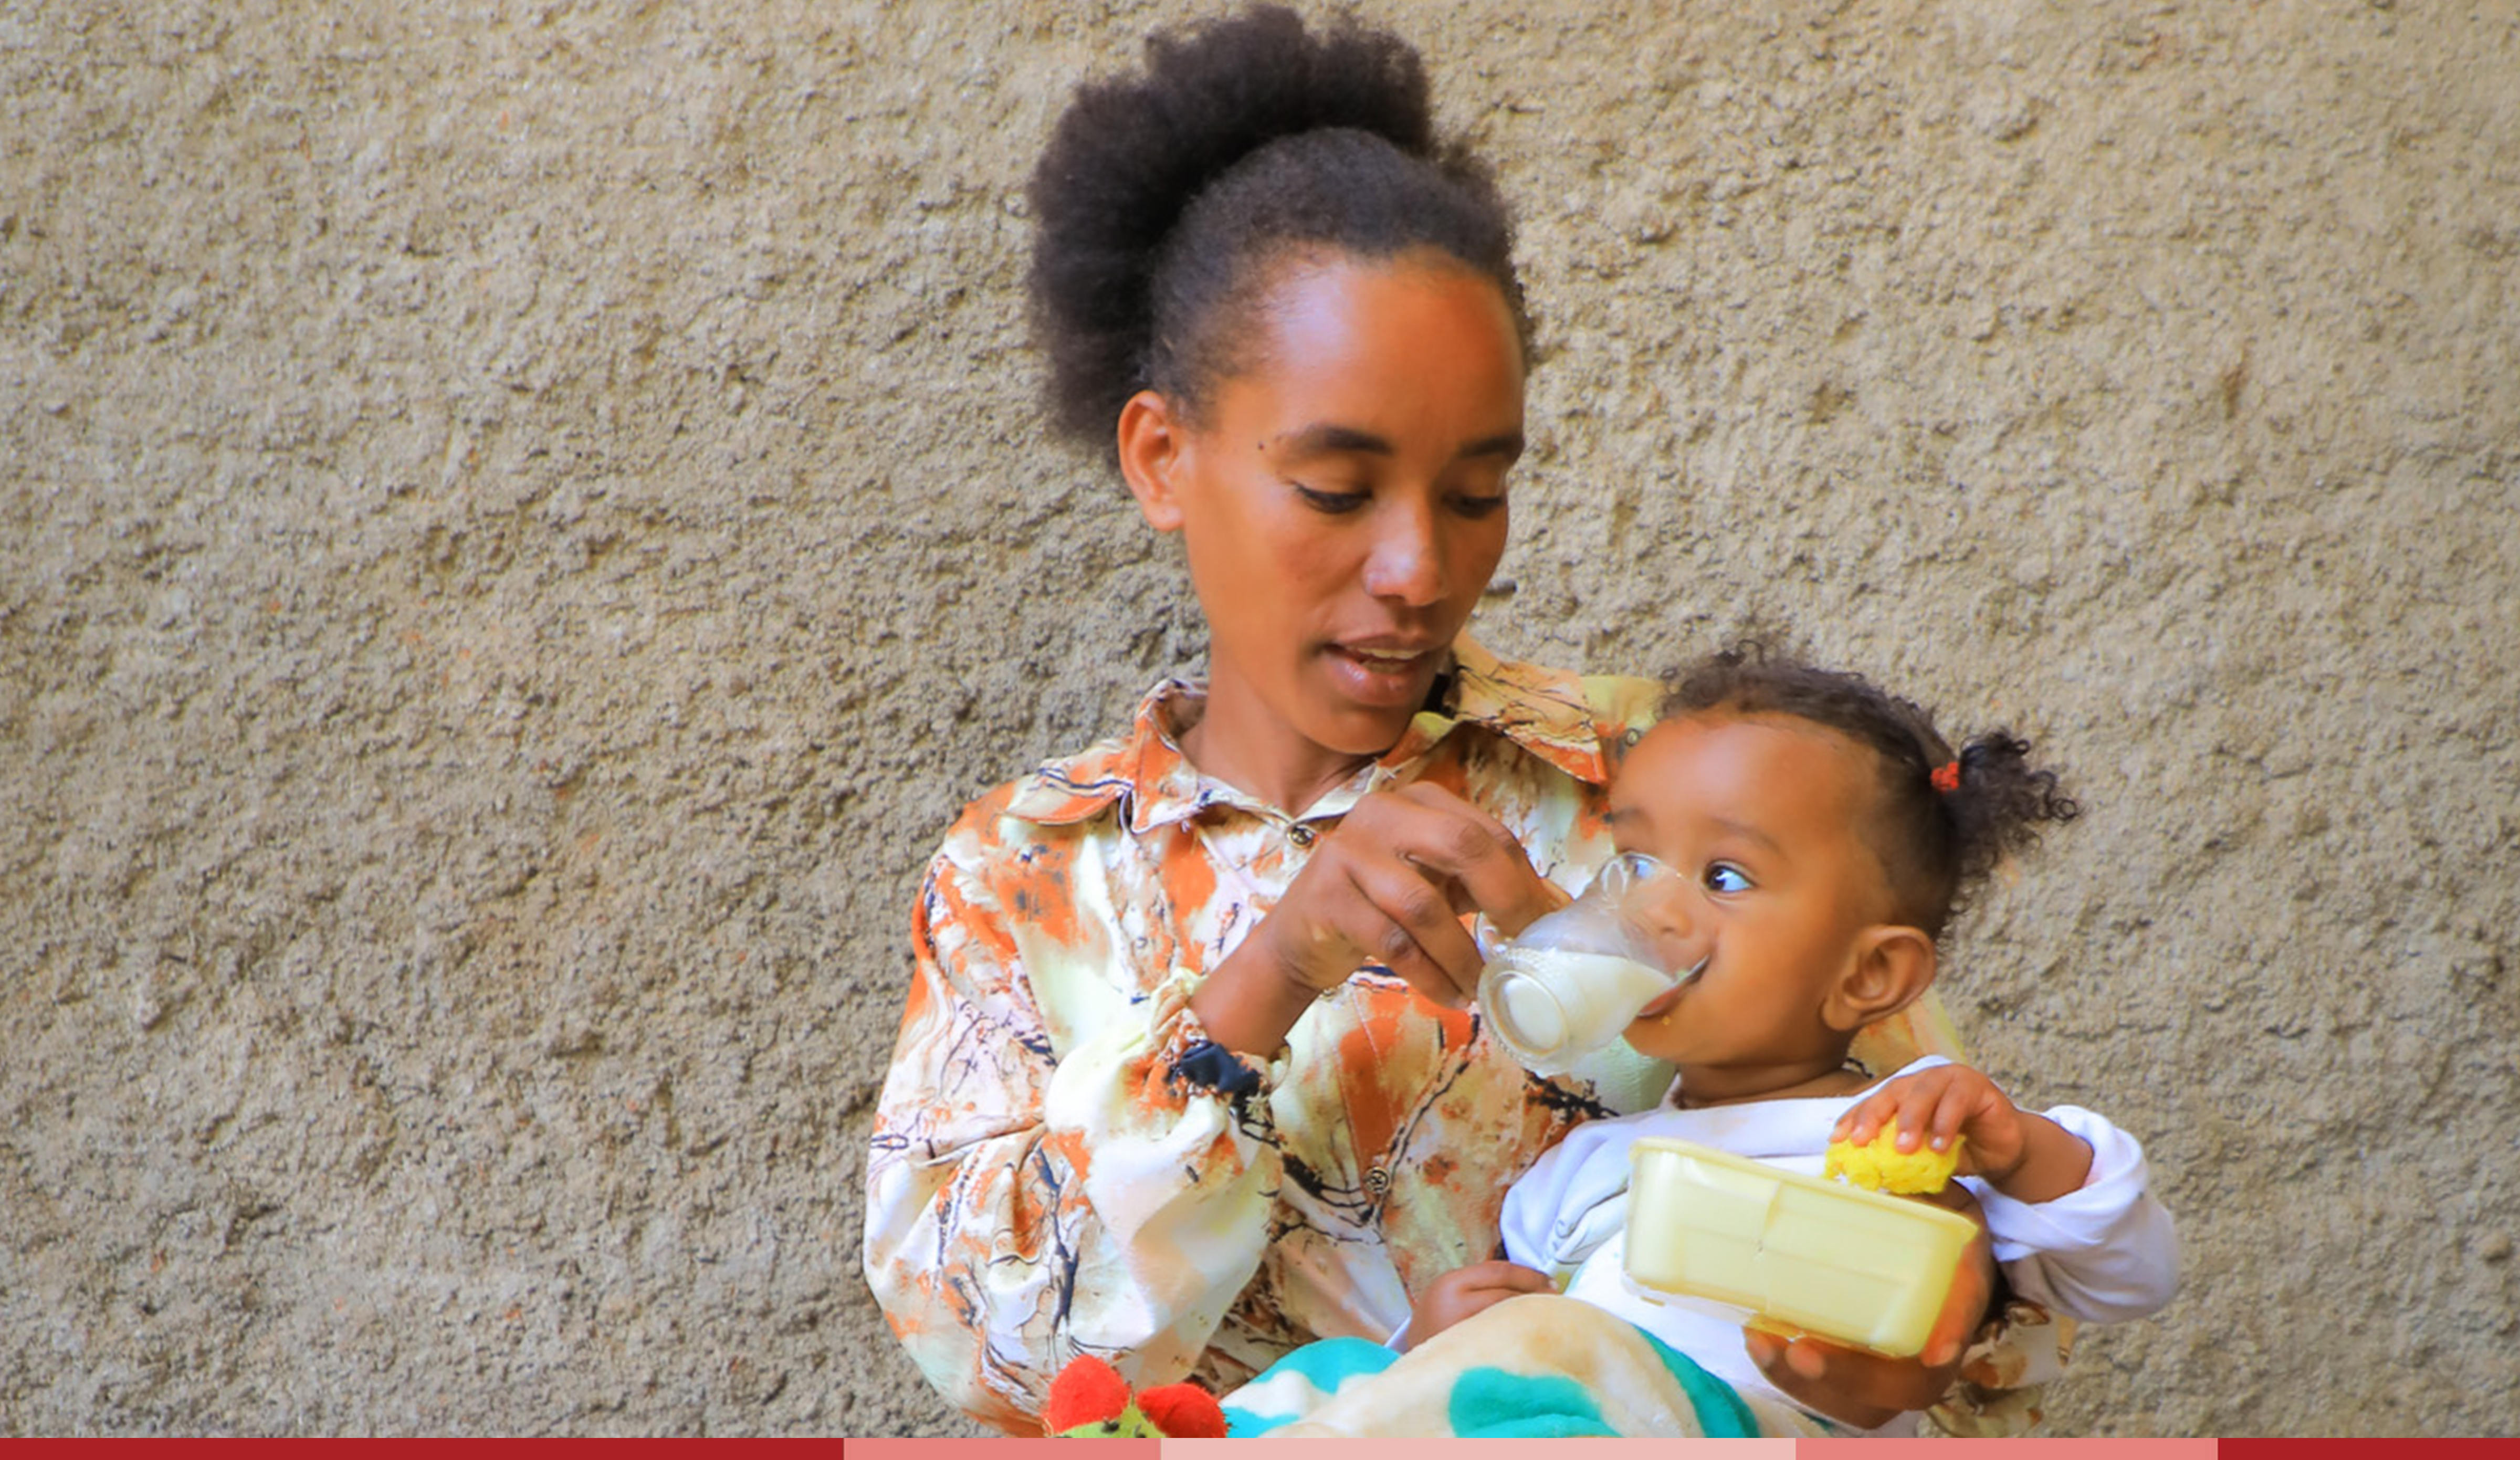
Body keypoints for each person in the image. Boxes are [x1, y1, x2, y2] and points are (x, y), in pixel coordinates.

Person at [862, 6, 2039, 1435]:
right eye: (1340, 490)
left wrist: (1910, 1336)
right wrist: (1270, 972)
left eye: (1477, 492)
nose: (1421, 568)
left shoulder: (1676, 787)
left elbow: (1962, 1235)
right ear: (1164, 457)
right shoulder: (1027, 879)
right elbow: (997, 1368)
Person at [1392, 648, 2178, 1434]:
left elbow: (2134, 1279)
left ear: (1868, 974)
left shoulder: (1903, 1137)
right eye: (1633, 862)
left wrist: (2023, 1153)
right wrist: (1434, 1342)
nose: (1651, 911)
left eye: (1725, 877)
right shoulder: (1580, 1170)